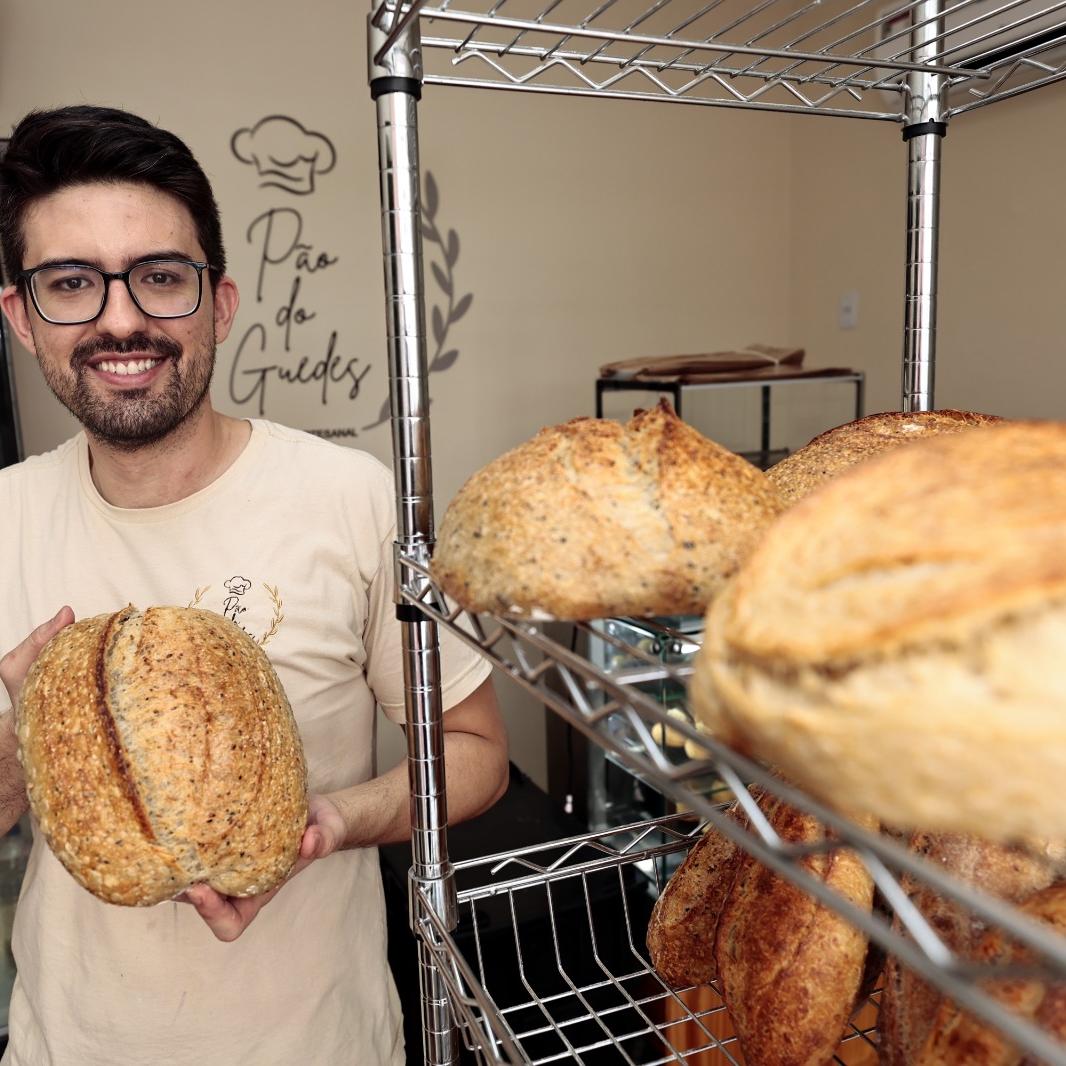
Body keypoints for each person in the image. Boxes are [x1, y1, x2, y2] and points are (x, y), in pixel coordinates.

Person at [0, 104, 508, 1066]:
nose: (121, 319)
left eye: (160, 277)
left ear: (220, 303)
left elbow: (478, 754)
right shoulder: (4, 518)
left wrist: (331, 823)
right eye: (71, 283)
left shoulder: (350, 497)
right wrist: (34, 738)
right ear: (22, 317)